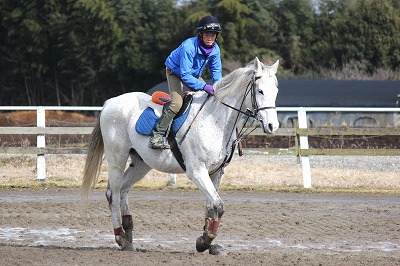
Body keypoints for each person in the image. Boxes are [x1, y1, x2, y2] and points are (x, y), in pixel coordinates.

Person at [149, 15, 223, 149]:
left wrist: (219, 87)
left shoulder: (215, 50)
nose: (210, 38)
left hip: (192, 75)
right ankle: (157, 136)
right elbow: (185, 75)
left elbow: (216, 73)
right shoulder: (189, 47)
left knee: (208, 98)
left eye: (213, 35)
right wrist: (204, 86)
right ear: (200, 34)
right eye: (207, 34)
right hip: (176, 72)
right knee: (177, 103)